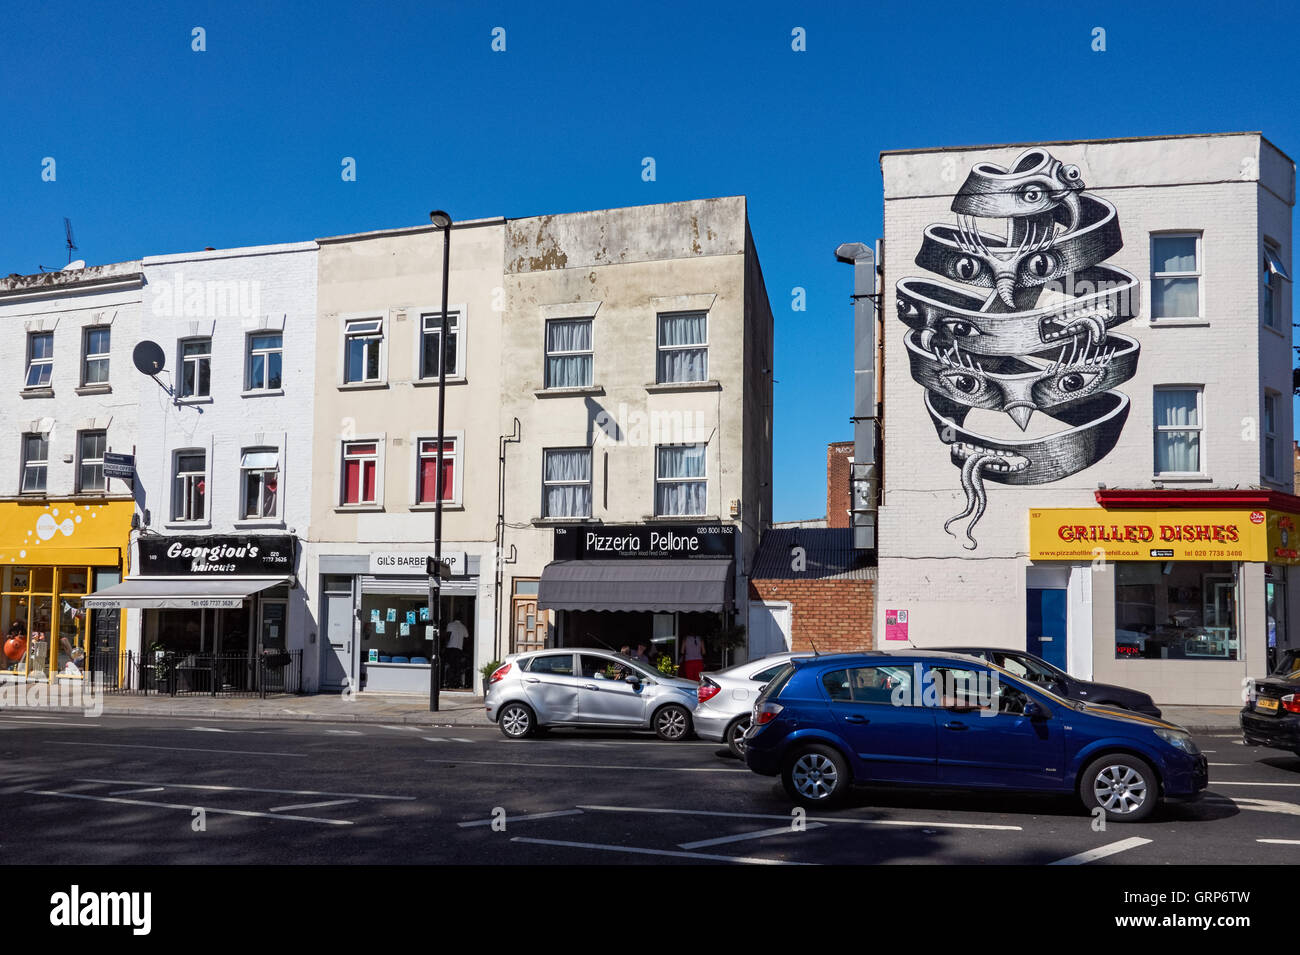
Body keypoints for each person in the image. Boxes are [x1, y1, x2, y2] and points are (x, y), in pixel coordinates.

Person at [444, 616, 469, 687]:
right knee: (457, 667)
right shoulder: (463, 627)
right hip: (459, 649)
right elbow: (467, 637)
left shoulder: (450, 625)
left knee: (450, 665)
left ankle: (449, 682)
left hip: (450, 648)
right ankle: (456, 682)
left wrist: (444, 646)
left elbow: (448, 636)